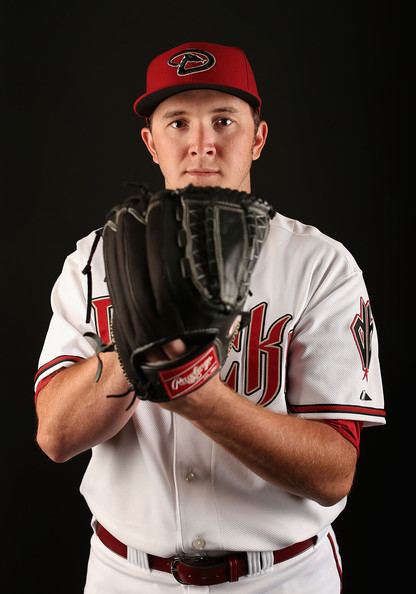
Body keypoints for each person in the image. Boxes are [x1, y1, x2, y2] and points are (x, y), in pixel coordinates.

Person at [34, 41, 386, 593]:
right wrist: (135, 347)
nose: (202, 144)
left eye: (224, 120)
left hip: (282, 577)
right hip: (127, 576)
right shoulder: (94, 260)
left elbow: (333, 472)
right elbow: (55, 435)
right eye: (178, 123)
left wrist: (198, 395)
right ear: (151, 144)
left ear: (258, 137)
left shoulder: (322, 266)